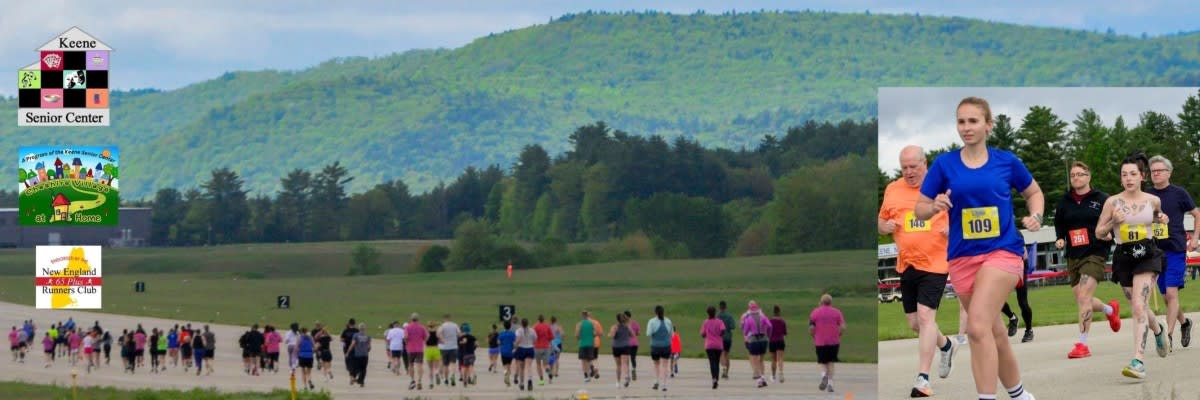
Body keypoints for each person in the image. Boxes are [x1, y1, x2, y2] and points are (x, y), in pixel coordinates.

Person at [915, 96, 1042, 400]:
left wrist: (1035, 215)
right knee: (993, 332)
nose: (966, 127)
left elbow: (1034, 192)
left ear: (988, 125)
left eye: (973, 121)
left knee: (975, 328)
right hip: (962, 257)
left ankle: (986, 397)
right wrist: (934, 206)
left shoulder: (1006, 161)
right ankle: (1019, 394)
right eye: (961, 121)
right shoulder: (945, 164)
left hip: (1002, 252)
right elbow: (919, 208)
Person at [879, 144, 959, 397]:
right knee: (915, 323)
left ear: (925, 163)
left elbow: (964, 217)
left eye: (914, 166)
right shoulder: (892, 189)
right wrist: (885, 226)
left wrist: (953, 230)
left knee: (926, 318)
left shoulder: (943, 186)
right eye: (904, 167)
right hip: (907, 263)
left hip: (935, 263)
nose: (909, 172)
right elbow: (881, 222)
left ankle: (922, 379)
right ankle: (946, 345)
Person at [1095, 153, 1171, 379]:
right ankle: (1158, 329)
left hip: (1147, 254)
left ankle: (1138, 361)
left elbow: (1157, 217)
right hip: (1123, 256)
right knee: (1136, 302)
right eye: (1124, 175)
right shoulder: (1112, 202)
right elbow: (1099, 232)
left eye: (1133, 174)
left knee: (1139, 304)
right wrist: (1112, 222)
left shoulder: (1152, 200)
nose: (1128, 178)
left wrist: (1162, 218)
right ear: (1121, 179)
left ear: (1142, 177)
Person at [1055, 161, 1123, 359]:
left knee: (1084, 297)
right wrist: (1060, 238)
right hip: (1074, 254)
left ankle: (1082, 344)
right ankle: (1110, 309)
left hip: (1095, 252)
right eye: (1073, 175)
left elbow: (1116, 219)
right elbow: (1059, 222)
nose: (1076, 178)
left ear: (1088, 176)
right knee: (1082, 299)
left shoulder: (1102, 199)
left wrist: (1110, 232)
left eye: (1080, 174)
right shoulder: (1065, 200)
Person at [1146, 155, 1197, 351]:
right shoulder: (1147, 196)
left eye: (1160, 170)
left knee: (1171, 292)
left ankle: (1167, 337)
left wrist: (1194, 238)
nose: (1156, 173)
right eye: (1153, 171)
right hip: (1154, 250)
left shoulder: (1179, 193)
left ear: (1169, 172)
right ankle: (1184, 322)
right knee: (1167, 296)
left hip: (1175, 247)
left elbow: (1196, 214)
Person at [810, 294, 845, 393]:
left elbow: (811, 327)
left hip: (820, 341)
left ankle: (823, 375)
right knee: (831, 362)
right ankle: (830, 384)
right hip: (834, 341)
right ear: (831, 302)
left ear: (821, 302)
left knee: (822, 361)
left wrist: (813, 336)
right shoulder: (837, 312)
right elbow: (842, 327)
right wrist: (839, 334)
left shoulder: (815, 312)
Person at [742, 300, 773, 388]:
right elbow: (770, 326)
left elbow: (745, 331)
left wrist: (747, 337)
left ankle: (759, 380)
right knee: (761, 360)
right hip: (763, 339)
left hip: (754, 340)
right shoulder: (763, 317)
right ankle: (763, 378)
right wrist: (768, 335)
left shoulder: (748, 318)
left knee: (755, 360)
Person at [647, 304, 674, 392]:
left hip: (655, 346)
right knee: (665, 365)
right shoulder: (668, 321)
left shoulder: (652, 321)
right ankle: (664, 384)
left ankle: (656, 381)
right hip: (666, 346)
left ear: (655, 312)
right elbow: (671, 334)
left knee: (656, 364)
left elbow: (648, 333)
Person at [700, 305, 726, 389]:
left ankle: (713, 379)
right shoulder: (720, 321)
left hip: (709, 345)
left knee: (712, 362)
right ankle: (717, 379)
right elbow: (723, 330)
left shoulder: (706, 322)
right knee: (717, 362)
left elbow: (703, 334)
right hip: (718, 345)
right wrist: (719, 335)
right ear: (715, 312)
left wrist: (707, 334)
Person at [608, 312, 633, 389]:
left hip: (616, 347)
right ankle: (626, 377)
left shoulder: (614, 327)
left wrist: (609, 333)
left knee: (618, 365)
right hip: (625, 346)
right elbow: (632, 335)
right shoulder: (627, 326)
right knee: (625, 363)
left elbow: (612, 335)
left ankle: (618, 382)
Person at [404, 313, 428, 390]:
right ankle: (419, 380)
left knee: (410, 365)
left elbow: (406, 337)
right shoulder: (422, 327)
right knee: (419, 365)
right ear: (418, 319)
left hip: (410, 349)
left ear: (411, 319)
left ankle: (412, 380)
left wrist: (406, 341)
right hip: (419, 349)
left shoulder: (407, 327)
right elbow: (426, 337)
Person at [574, 311, 600, 382]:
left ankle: (586, 376)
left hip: (582, 344)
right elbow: (595, 333)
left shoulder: (579, 324)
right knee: (590, 359)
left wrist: (579, 337)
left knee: (584, 361)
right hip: (590, 344)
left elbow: (577, 335)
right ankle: (592, 367)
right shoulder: (592, 324)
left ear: (582, 316)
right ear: (587, 316)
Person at [437, 315, 462, 386]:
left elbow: (438, 334)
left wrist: (442, 339)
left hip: (444, 347)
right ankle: (452, 376)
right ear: (451, 319)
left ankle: (446, 379)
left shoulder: (442, 326)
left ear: (444, 319)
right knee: (453, 363)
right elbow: (459, 334)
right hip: (453, 347)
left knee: (445, 365)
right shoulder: (455, 325)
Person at [514, 318, 537, 391]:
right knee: (529, 366)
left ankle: (522, 383)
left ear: (521, 323)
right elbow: (535, 339)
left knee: (521, 368)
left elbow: (518, 339)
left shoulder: (518, 331)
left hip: (521, 348)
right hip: (530, 348)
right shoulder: (532, 330)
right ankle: (530, 380)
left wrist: (515, 347)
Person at [767, 305, 789, 383]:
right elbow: (785, 333)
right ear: (779, 312)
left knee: (773, 359)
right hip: (780, 341)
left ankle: (773, 376)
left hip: (772, 341)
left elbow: (767, 332)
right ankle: (781, 373)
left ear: (773, 312)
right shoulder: (782, 321)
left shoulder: (769, 321)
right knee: (780, 358)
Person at [716, 300, 737, 379]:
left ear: (719, 307)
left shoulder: (717, 316)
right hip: (728, 337)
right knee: (727, 354)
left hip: (719, 338)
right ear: (726, 307)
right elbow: (733, 326)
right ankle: (726, 372)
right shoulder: (729, 316)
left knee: (721, 354)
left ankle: (723, 367)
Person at [533, 315, 554, 385]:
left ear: (538, 320)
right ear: (543, 320)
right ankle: (548, 370)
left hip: (537, 347)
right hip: (546, 347)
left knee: (538, 364)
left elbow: (533, 337)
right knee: (546, 363)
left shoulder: (535, 327)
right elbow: (552, 337)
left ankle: (541, 380)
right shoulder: (547, 326)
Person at [498, 319, 517, 386]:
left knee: (504, 365)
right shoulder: (512, 334)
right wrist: (515, 349)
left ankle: (505, 373)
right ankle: (508, 377)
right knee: (509, 365)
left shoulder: (501, 334)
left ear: (504, 326)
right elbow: (514, 344)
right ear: (510, 326)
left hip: (503, 351)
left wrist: (502, 343)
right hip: (510, 352)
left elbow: (499, 342)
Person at [624, 310, 641, 381]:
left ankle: (627, 375)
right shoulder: (635, 323)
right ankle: (633, 369)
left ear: (627, 316)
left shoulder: (624, 324)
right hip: (635, 343)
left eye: (624, 316)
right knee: (633, 358)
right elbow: (638, 333)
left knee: (626, 359)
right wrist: (635, 334)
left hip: (627, 343)